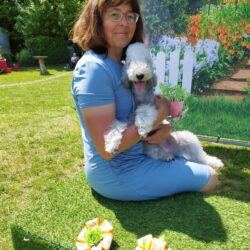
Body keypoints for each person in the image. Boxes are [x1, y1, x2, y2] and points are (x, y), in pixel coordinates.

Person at [71, 0, 218, 201]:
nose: (125, 23)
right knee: (210, 178)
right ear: (96, 20)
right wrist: (159, 115)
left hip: (143, 154)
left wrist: (164, 127)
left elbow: (137, 111)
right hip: (119, 172)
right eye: (114, 14)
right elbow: (107, 149)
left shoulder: (123, 65)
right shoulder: (93, 69)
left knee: (201, 164)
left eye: (130, 16)